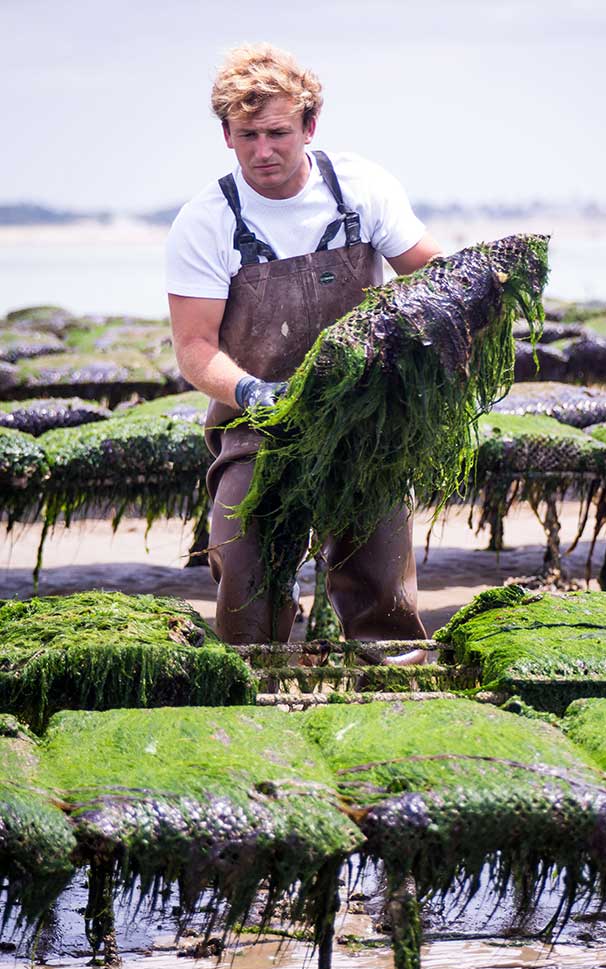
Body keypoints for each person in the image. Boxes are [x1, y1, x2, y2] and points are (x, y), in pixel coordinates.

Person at [166, 42, 441, 653]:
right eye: (247, 136)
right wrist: (253, 391)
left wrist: (481, 289)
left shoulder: (361, 189)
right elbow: (193, 349)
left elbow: (427, 274)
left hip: (364, 419)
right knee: (243, 565)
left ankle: (393, 673)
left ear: (309, 125)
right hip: (256, 421)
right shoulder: (206, 221)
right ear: (227, 137)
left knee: (381, 578)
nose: (263, 151)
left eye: (277, 133)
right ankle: (254, 679)